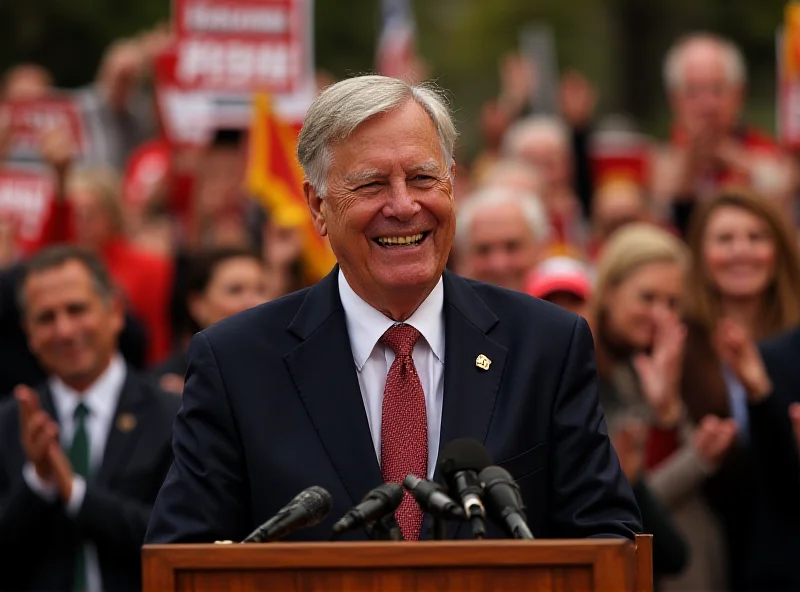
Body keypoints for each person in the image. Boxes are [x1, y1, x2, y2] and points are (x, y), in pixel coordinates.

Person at [145, 75, 641, 544]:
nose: (404, 206)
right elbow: (185, 555)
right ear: (317, 207)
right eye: (371, 185)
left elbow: (606, 539)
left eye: (423, 178)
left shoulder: (547, 347)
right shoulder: (236, 363)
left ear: (452, 185)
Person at [0, 246, 180, 592]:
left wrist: (75, 493)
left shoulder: (172, 416)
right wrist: (37, 482)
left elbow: (174, 536)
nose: (64, 331)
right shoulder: (10, 424)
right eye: (46, 318)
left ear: (114, 311)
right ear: (29, 333)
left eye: (76, 310)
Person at [588, 223, 735, 591]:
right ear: (609, 292)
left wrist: (668, 410)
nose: (661, 315)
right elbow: (627, 499)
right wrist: (698, 460)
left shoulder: (652, 362)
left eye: (672, 303)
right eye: (647, 298)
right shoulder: (583, 371)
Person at [681, 190, 800, 592]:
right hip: (706, 553)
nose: (741, 252)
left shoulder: (795, 342)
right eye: (725, 239)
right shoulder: (677, 343)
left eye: (756, 237)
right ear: (700, 253)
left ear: (778, 248)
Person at [155, 247, 270, 394]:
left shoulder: (287, 372)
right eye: (235, 290)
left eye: (261, 290)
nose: (254, 302)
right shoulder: (162, 386)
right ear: (198, 304)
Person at [455, 186, 549, 292]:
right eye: (484, 250)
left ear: (540, 250)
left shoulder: (566, 305)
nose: (499, 265)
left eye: (512, 247)